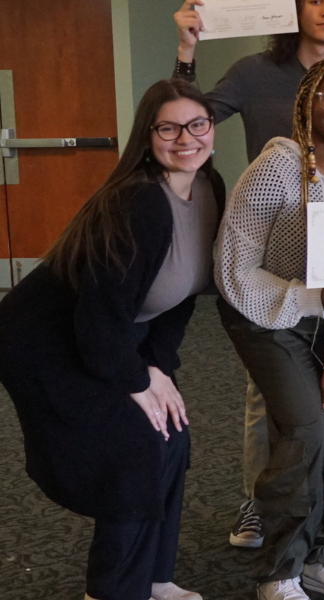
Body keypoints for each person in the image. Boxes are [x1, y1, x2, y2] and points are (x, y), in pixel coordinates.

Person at [173, 0, 324, 548]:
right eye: (315, 1)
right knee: (269, 397)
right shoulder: (256, 72)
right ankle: (257, 501)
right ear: (295, 9)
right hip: (270, 251)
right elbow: (193, 118)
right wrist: (186, 51)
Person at [0, 79, 222, 600]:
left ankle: (153, 579)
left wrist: (161, 369)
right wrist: (136, 378)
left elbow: (181, 295)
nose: (185, 137)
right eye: (168, 127)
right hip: (42, 343)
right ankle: (111, 591)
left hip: (109, 332)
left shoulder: (210, 188)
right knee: (134, 446)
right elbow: (97, 319)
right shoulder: (139, 203)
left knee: (172, 430)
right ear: (147, 137)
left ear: (212, 129)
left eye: (197, 124)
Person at [216, 56, 324, 600]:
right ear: (306, 102)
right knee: (310, 429)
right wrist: (313, 298)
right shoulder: (275, 168)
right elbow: (234, 269)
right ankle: (283, 568)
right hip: (264, 315)